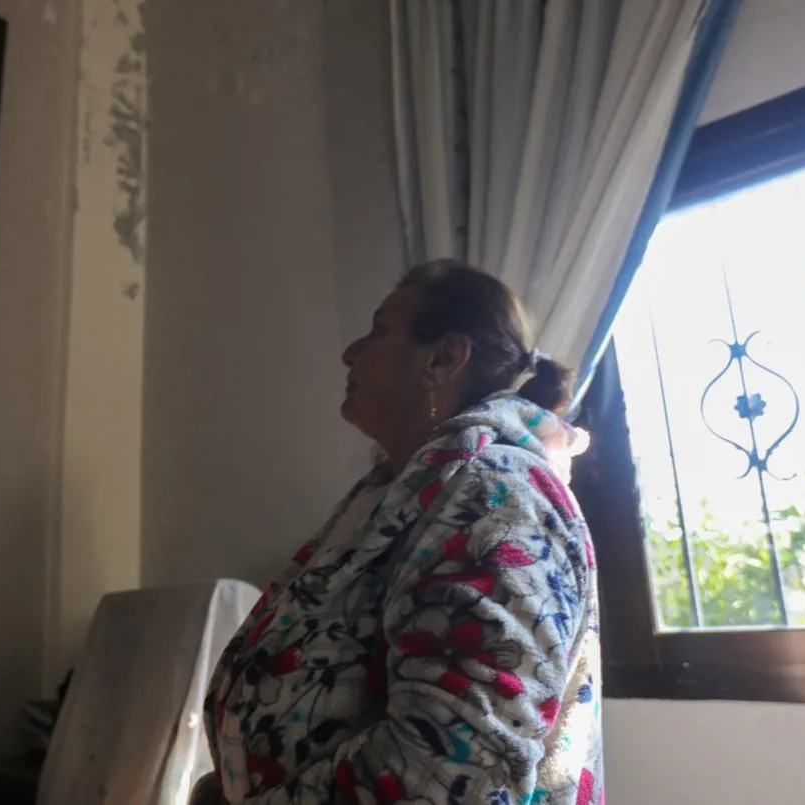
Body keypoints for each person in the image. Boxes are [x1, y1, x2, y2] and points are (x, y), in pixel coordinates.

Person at [194, 261, 601, 805]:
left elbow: (456, 768)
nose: (350, 353)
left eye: (378, 330)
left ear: (444, 358)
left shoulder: (496, 493)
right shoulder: (396, 491)